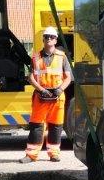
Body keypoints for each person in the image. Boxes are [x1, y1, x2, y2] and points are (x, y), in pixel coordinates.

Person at [26, 26, 72, 162]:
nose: (49, 39)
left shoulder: (62, 57)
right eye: (46, 37)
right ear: (43, 39)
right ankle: (31, 155)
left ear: (56, 39)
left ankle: (54, 154)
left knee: (56, 126)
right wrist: (41, 90)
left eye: (51, 37)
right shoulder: (35, 57)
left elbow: (68, 77)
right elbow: (31, 77)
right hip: (41, 96)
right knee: (36, 126)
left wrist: (60, 89)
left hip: (57, 97)